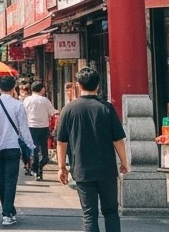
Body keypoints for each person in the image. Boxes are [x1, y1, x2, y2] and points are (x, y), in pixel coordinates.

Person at [55, 67, 127, 232]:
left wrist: (61, 167)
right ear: (98, 86)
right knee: (111, 212)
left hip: (82, 170)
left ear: (78, 85)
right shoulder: (106, 108)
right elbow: (118, 140)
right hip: (106, 169)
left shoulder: (69, 109)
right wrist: (124, 161)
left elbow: (61, 141)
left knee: (89, 214)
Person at [0, 77, 32, 226]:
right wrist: (30, 147)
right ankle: (7, 213)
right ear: (14, 88)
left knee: (1, 179)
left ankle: (8, 211)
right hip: (13, 147)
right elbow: (24, 128)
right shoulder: (18, 105)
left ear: (0, 88)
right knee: (11, 181)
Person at [23, 82, 57, 181]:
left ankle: (35, 169)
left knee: (35, 149)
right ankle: (38, 169)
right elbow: (52, 112)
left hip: (31, 127)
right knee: (43, 151)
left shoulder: (27, 100)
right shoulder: (45, 100)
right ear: (42, 89)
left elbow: (23, 114)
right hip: (43, 128)